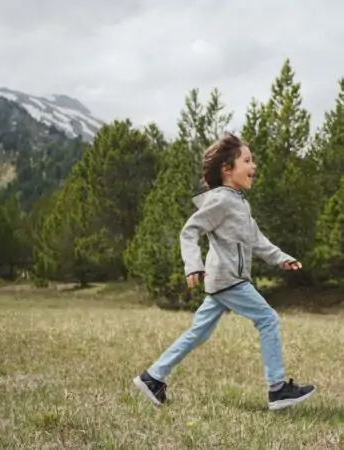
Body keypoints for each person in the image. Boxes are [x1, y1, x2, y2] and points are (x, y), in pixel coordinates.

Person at [133, 132, 316, 411]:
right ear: (227, 169)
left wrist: (282, 259)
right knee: (268, 319)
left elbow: (256, 240)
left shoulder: (240, 203)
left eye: (253, 160)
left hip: (224, 280)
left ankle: (152, 377)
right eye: (247, 160)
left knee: (198, 333)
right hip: (229, 279)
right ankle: (278, 389)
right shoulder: (222, 201)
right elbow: (189, 231)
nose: (253, 166)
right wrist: (193, 264)